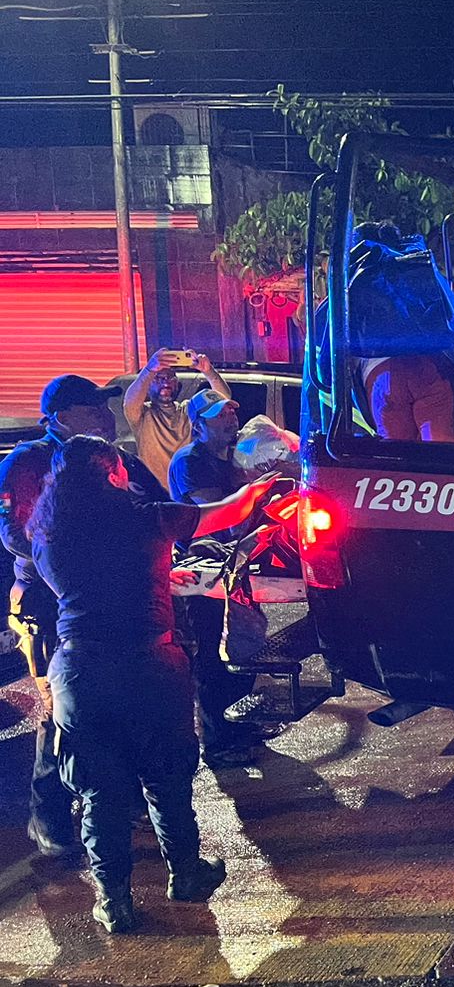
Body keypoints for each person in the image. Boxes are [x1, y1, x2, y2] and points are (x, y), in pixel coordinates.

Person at [29, 436, 276, 933]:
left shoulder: (47, 533)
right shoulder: (146, 518)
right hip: (151, 665)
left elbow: (88, 588)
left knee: (100, 794)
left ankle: (114, 901)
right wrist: (260, 488)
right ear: (113, 473)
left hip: (80, 670)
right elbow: (224, 512)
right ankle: (186, 873)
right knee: (167, 779)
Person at [0, 375, 163, 859]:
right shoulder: (27, 463)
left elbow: (154, 508)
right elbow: (15, 535)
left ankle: (124, 800)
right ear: (61, 417)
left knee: (124, 701)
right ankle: (48, 816)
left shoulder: (116, 461)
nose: (105, 417)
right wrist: (73, 565)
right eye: (92, 410)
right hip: (50, 606)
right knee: (61, 712)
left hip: (116, 602)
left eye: (104, 409)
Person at [166, 389, 263, 766]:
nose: (230, 419)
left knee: (244, 646)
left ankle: (241, 727)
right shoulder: (190, 461)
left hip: (235, 565)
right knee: (212, 655)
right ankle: (218, 742)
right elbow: (220, 513)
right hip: (203, 572)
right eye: (219, 416)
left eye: (231, 412)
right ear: (198, 426)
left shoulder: (235, 456)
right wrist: (257, 488)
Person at [124, 347, 234, 491]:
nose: (165, 382)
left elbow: (222, 400)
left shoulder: (188, 410)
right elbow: (130, 403)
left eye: (170, 378)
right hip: (158, 494)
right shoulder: (143, 415)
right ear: (148, 386)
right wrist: (149, 370)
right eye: (158, 378)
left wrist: (208, 371)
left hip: (189, 491)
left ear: (178, 384)